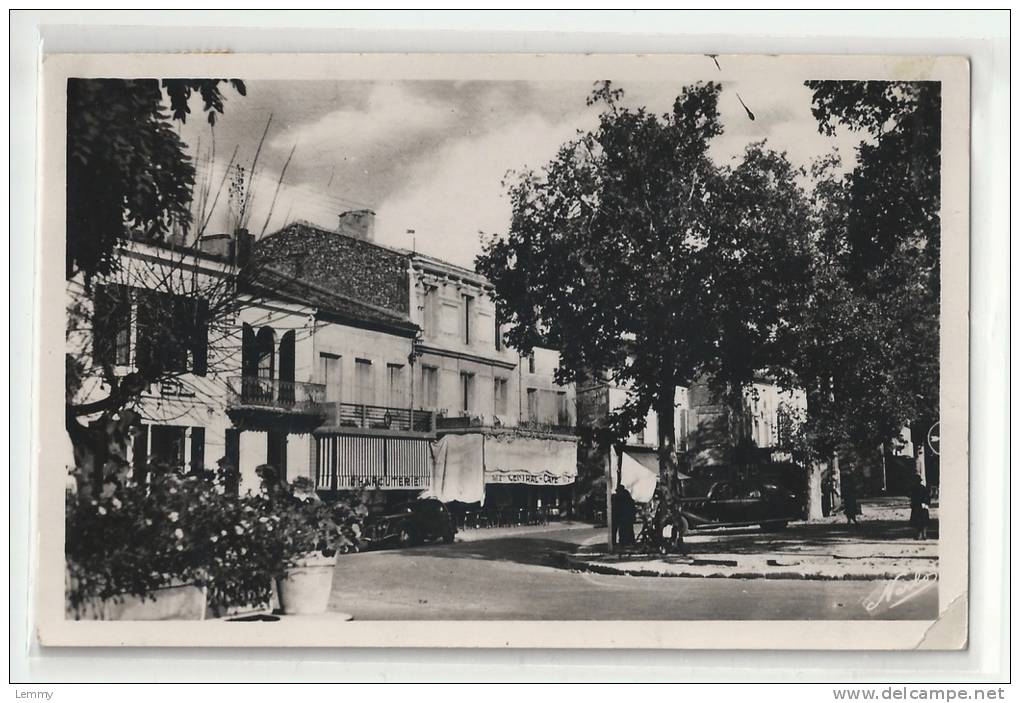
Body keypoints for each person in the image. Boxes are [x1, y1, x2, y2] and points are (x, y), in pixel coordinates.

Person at [909, 474, 931, 540]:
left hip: (917, 506)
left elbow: (912, 497)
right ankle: (923, 535)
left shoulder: (913, 488)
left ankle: (918, 535)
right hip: (923, 506)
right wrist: (926, 504)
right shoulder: (923, 488)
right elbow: (928, 497)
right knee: (924, 521)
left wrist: (912, 504)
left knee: (917, 521)